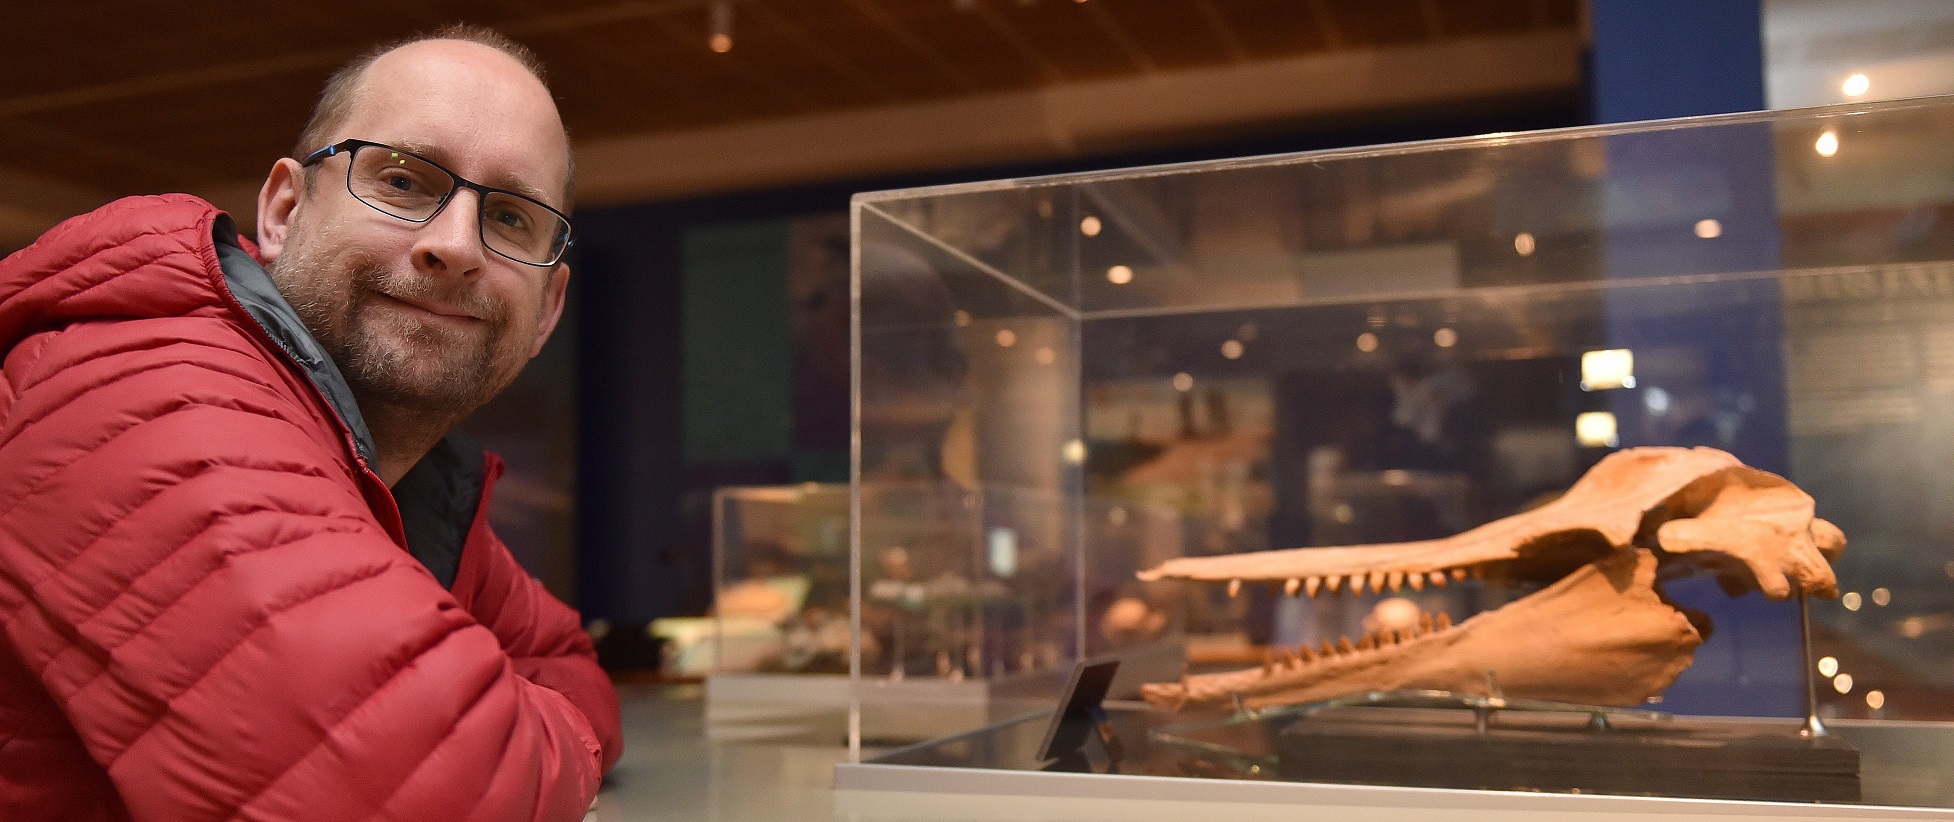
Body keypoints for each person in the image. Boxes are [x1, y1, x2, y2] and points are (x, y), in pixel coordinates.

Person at [0, 25, 621, 822]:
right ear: (285, 211)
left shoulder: (405, 473)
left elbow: (565, 661)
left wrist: (531, 725)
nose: (455, 244)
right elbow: (442, 792)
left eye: (509, 218)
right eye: (401, 181)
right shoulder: (149, 392)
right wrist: (561, 740)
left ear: (548, 313)